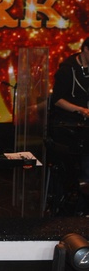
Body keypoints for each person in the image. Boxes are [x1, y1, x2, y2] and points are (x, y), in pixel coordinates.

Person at [49, 37, 89, 210]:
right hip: (67, 124)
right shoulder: (67, 70)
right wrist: (80, 110)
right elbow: (57, 100)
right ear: (85, 50)